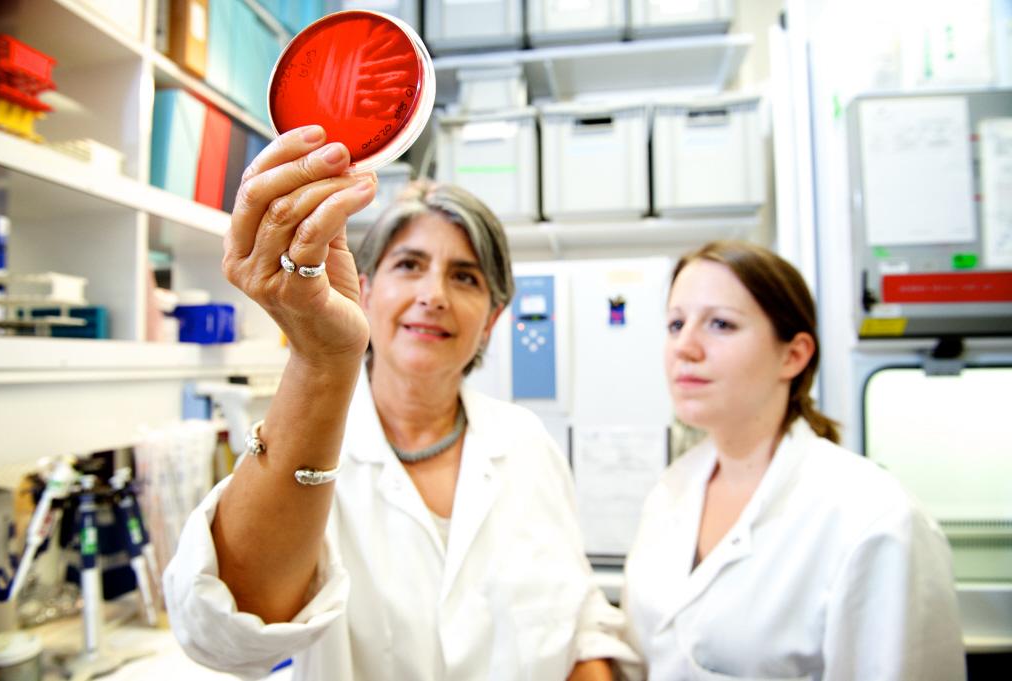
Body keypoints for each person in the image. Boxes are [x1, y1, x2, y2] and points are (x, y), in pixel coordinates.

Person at [163, 126, 640, 681]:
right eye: (409, 265)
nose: (433, 295)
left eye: (464, 277)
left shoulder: (526, 443)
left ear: (491, 319)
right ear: (364, 292)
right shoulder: (308, 442)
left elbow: (579, 620)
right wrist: (320, 359)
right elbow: (224, 634)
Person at [622, 241, 965, 680]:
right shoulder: (671, 491)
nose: (684, 347)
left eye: (720, 324)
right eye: (675, 324)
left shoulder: (874, 519)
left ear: (793, 355)